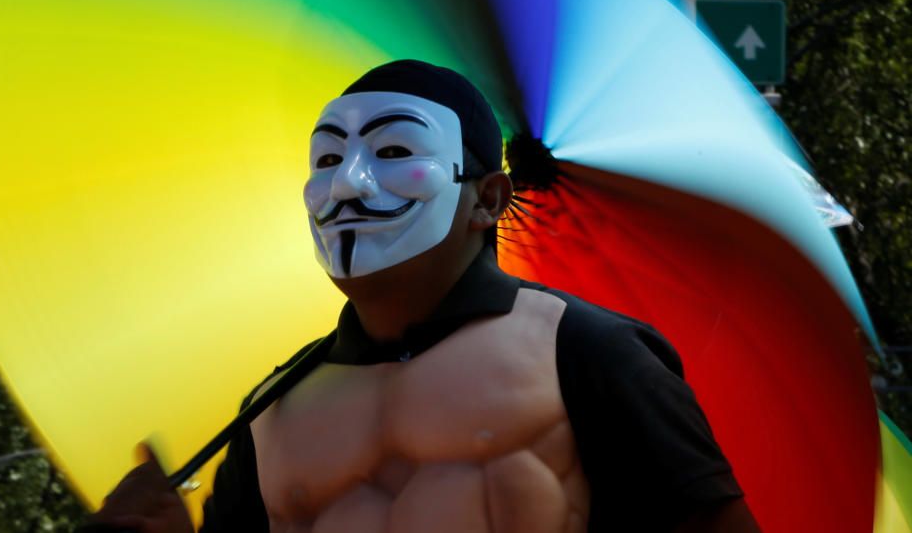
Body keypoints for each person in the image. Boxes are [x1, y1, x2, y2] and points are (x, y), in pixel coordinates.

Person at [88, 60, 761, 532]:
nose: (348, 184)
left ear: (488, 198)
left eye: (392, 150)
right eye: (326, 159)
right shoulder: (273, 408)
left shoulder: (589, 356)